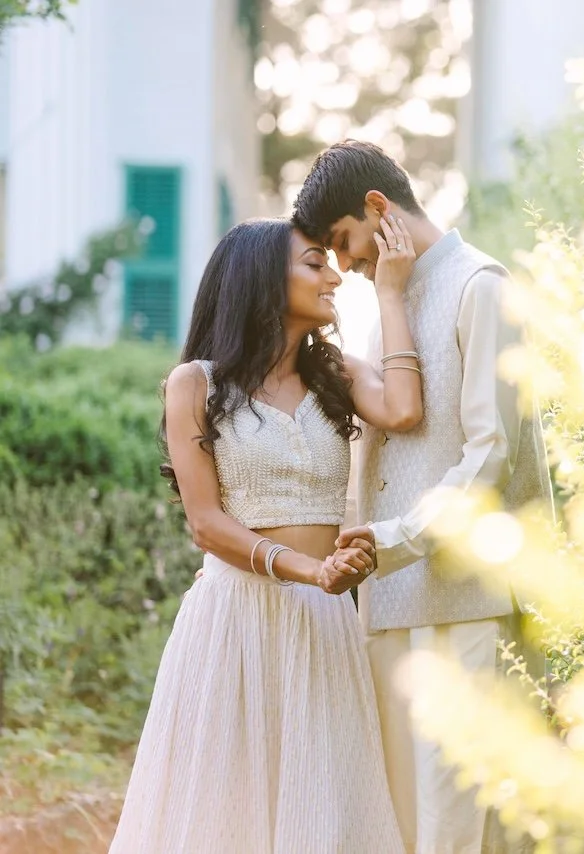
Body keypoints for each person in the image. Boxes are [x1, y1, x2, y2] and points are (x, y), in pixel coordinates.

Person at [110, 216, 424, 853]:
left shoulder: (333, 372)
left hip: (324, 627)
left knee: (325, 813)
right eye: (315, 262)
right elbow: (206, 522)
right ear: (261, 278)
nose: (334, 275)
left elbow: (403, 408)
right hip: (234, 624)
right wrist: (312, 572)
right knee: (225, 820)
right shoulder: (194, 384)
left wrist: (390, 292)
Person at [292, 140, 554, 854]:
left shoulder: (483, 287)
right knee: (401, 832)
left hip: (465, 607)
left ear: (379, 208)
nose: (345, 267)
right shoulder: (390, 305)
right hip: (390, 612)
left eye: (344, 245)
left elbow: (490, 453)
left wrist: (394, 541)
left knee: (462, 833)